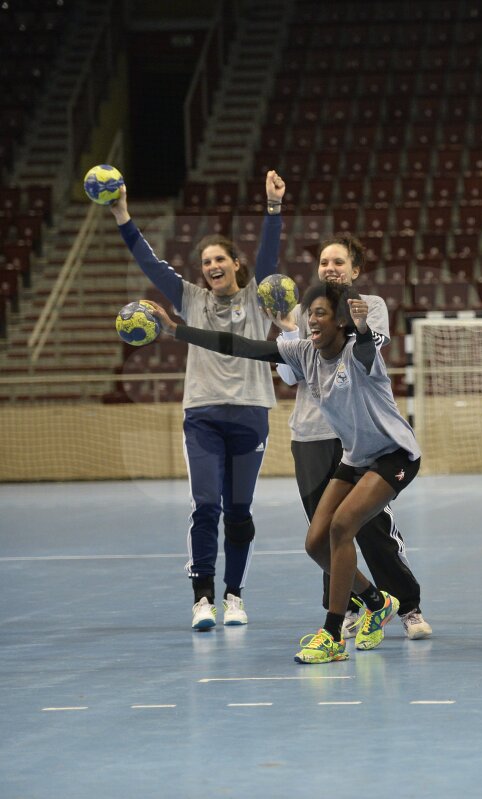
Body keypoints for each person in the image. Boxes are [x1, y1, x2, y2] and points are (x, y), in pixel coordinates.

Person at [144, 280, 421, 663]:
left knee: (342, 527)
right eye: (310, 313)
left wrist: (361, 329)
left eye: (321, 313)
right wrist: (177, 331)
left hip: (394, 454)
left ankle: (332, 635)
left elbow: (365, 347)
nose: (312, 320)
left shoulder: (358, 351)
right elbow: (239, 345)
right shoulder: (304, 352)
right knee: (315, 544)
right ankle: (376, 602)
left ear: (341, 321)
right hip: (356, 457)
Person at [109, 172, 285, 630]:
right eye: (206, 261)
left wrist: (273, 209)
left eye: (220, 258)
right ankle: (202, 598)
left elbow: (269, 257)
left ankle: (234, 596)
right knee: (206, 505)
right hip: (203, 417)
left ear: (236, 264)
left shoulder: (258, 297)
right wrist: (122, 213)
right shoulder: (190, 299)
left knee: (239, 512)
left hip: (251, 415)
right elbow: (150, 264)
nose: (212, 266)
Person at [267, 233, 430, 641]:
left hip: (356, 434)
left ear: (355, 270)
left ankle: (406, 605)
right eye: (324, 262)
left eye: (339, 262)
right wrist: (288, 330)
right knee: (325, 533)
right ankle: (355, 607)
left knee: (370, 528)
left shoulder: (368, 306)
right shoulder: (305, 313)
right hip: (309, 434)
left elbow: (365, 347)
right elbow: (290, 375)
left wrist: (341, 323)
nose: (330, 268)